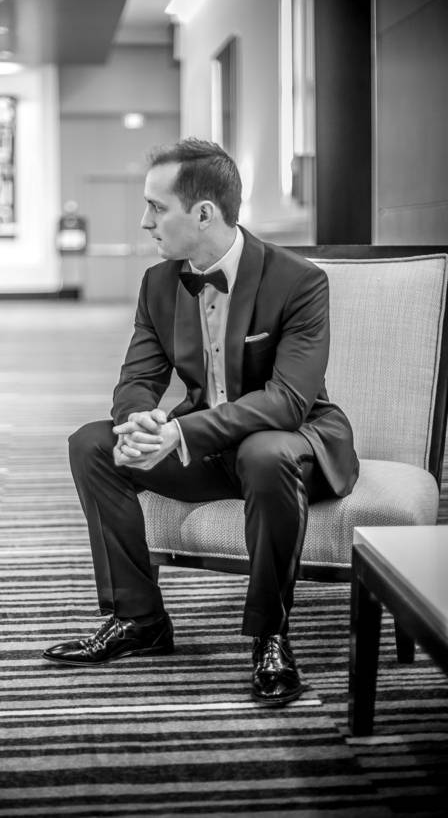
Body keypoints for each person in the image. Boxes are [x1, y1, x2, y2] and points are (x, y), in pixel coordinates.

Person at [43, 138, 359, 706]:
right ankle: (138, 620)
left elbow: (288, 401)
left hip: (292, 450)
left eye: (156, 207)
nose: (145, 222)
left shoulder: (298, 280)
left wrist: (180, 433)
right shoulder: (159, 283)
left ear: (204, 213)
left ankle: (270, 636)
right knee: (92, 444)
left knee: (263, 452)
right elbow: (137, 378)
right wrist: (139, 422)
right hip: (208, 453)